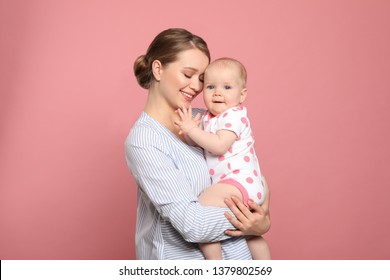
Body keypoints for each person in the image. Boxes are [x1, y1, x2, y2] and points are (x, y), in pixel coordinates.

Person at [125, 28, 270, 260]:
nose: (196, 86)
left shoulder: (208, 119)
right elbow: (193, 224)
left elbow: (248, 173)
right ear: (158, 69)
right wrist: (254, 221)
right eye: (188, 74)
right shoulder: (145, 141)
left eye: (203, 79)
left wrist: (262, 216)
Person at [175, 58, 271, 260]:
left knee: (202, 210)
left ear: (242, 94)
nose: (217, 92)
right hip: (245, 184)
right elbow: (202, 142)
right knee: (252, 235)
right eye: (210, 87)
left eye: (227, 87)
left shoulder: (234, 115)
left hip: (238, 182)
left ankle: (215, 262)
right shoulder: (210, 118)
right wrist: (186, 134)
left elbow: (218, 145)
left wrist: (192, 129)